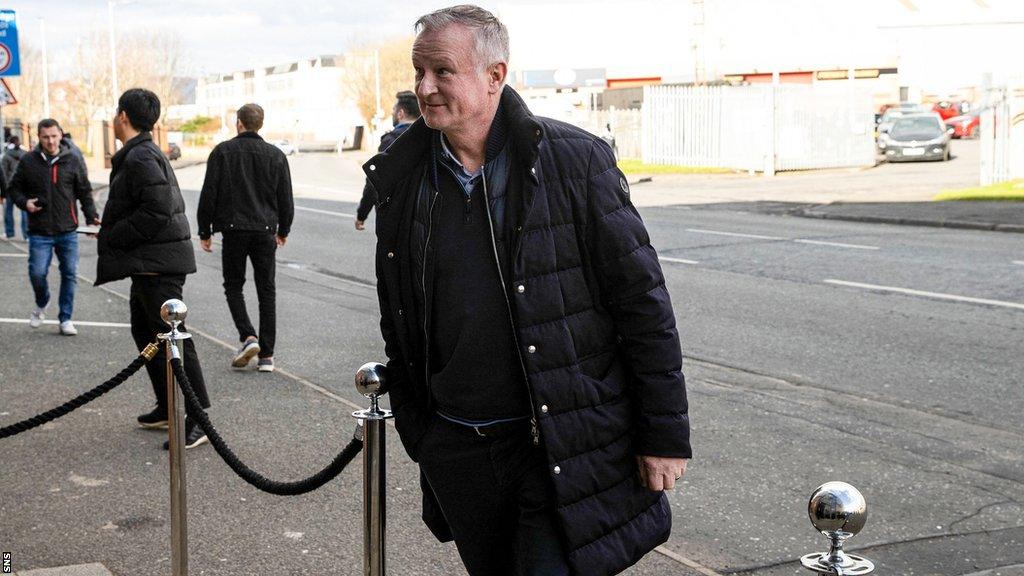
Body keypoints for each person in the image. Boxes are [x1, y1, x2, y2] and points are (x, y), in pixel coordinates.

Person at [363, 6, 691, 575]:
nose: (424, 88)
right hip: (458, 447)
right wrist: (423, 431)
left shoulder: (572, 161)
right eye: (419, 72)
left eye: (442, 71)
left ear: (495, 75)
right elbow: (398, 311)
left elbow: (642, 305)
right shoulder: (403, 175)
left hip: (553, 443)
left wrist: (662, 433)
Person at [95, 88, 210, 449]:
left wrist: (116, 234)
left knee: (175, 338)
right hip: (149, 263)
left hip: (159, 265)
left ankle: (199, 417)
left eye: (116, 113)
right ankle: (166, 406)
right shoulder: (139, 153)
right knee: (146, 335)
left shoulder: (141, 156)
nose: (114, 119)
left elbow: (158, 209)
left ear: (124, 117)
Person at [196, 103, 294, 373]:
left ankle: (248, 336)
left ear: (239, 122)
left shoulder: (222, 152)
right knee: (266, 290)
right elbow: (285, 197)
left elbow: (209, 193)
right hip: (265, 231)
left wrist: (205, 230)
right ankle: (267, 356)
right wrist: (283, 229)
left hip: (233, 229)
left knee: (233, 285)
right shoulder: (275, 155)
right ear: (260, 123)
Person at [7, 120, 99, 335]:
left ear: (60, 135)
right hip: (39, 231)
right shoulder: (29, 161)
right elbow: (14, 188)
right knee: (37, 273)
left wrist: (91, 216)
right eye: (45, 137)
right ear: (39, 137)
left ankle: (65, 318)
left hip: (67, 230)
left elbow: (84, 191)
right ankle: (42, 301)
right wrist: (25, 203)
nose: (50, 141)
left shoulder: (72, 160)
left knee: (69, 274)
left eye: (54, 136)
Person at [355, 91, 421, 230]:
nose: (392, 114)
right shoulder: (431, 138)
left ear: (400, 113)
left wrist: (362, 214)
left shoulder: (391, 141)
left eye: (393, 111)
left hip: (395, 219)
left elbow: (375, 183)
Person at [2, 136, 29, 240]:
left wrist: (4, 187)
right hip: (23, 187)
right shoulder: (25, 155)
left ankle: (9, 233)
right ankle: (26, 235)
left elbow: (3, 173)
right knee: (25, 211)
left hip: (10, 187)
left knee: (8, 211)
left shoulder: (6, 156)